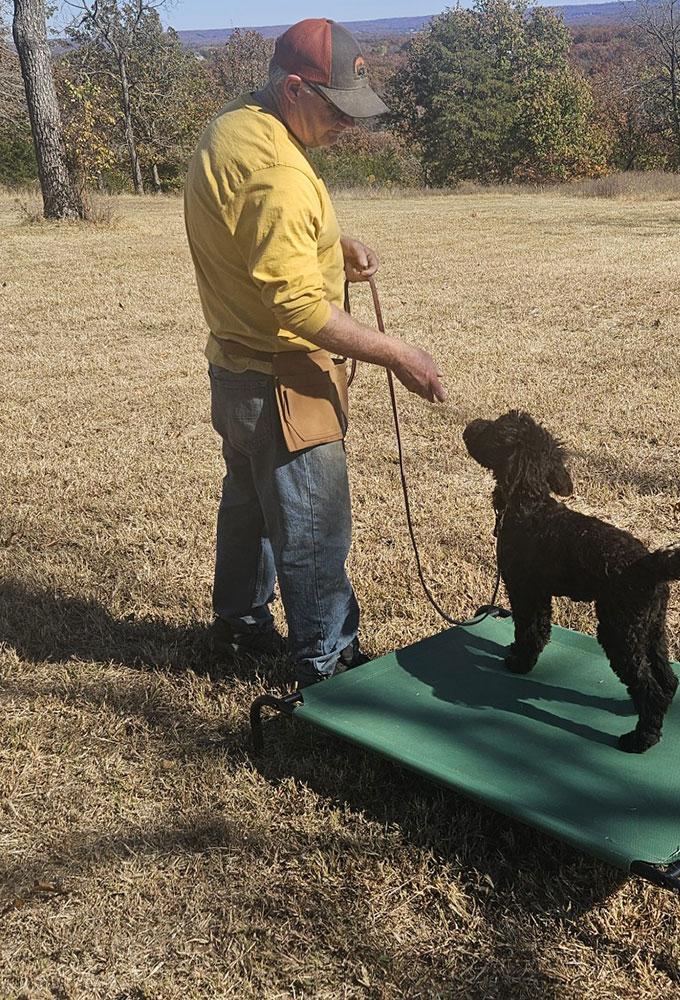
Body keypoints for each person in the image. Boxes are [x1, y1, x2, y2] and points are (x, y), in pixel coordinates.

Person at [184, 18, 445, 686]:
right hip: (283, 381)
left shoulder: (236, 124)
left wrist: (330, 246)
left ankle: (239, 628)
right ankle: (329, 663)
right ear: (295, 88)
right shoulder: (280, 172)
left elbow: (259, 234)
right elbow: (297, 307)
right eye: (337, 110)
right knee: (312, 525)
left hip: (234, 370)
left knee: (250, 508)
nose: (348, 125)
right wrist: (398, 353)